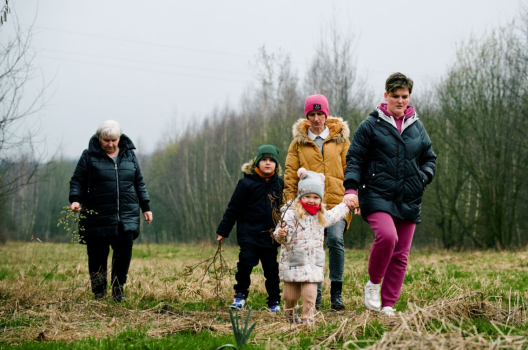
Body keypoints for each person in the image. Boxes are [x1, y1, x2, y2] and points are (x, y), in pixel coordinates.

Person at [343, 72, 437, 316]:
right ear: (386, 96)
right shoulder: (370, 125)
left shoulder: (417, 126)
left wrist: (423, 177)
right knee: (387, 237)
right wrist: (351, 189)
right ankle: (373, 284)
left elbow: (429, 158)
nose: (400, 100)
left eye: (404, 96)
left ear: (409, 97)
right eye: (395, 96)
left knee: (401, 255)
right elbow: (354, 159)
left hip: (409, 197)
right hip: (377, 194)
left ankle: (388, 305)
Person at [69, 120, 153, 301]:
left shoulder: (129, 155)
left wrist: (146, 207)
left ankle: (118, 290)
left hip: (126, 215)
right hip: (96, 215)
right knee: (97, 256)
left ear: (119, 138)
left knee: (123, 253)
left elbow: (138, 182)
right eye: (106, 140)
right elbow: (77, 181)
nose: (110, 144)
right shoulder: (88, 156)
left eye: (113, 140)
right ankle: (99, 293)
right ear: (99, 138)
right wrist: (75, 200)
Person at [283, 94, 353, 310]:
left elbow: (351, 168)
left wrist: (353, 196)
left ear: (326, 114)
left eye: (320, 114)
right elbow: (290, 174)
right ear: (307, 116)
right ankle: (316, 293)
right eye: (311, 114)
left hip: (336, 202)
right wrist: (288, 207)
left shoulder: (341, 140)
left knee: (335, 240)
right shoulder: (298, 143)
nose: (316, 119)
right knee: (312, 246)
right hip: (307, 206)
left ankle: (337, 293)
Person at [274, 168, 350, 325]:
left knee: (310, 294)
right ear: (301, 195)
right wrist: (281, 234)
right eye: (307, 196)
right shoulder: (291, 213)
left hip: (312, 261)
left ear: (320, 199)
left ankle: (308, 318)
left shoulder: (321, 215)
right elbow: (282, 234)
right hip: (293, 260)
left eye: (315, 197)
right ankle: (290, 314)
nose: (311, 200)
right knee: (291, 296)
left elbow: (335, 215)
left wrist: (346, 205)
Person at [216, 145, 283, 311]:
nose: (267, 163)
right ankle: (240, 296)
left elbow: (287, 209)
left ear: (276, 164)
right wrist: (224, 230)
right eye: (264, 160)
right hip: (249, 232)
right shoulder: (246, 183)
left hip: (271, 235)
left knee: (271, 270)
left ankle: (274, 302)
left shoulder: (280, 185)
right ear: (257, 163)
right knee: (245, 263)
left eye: (271, 160)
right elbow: (233, 208)